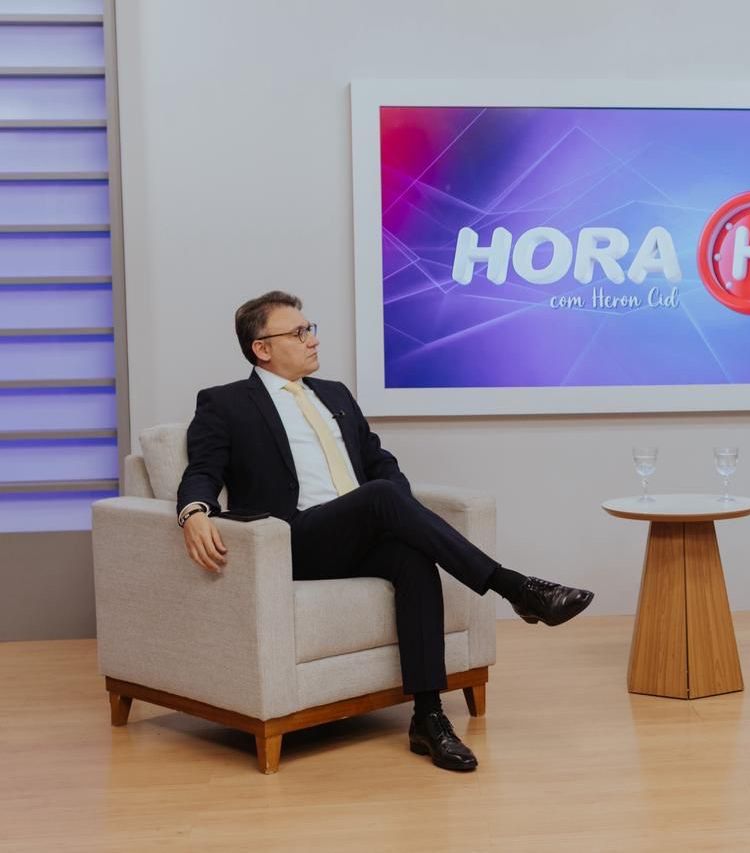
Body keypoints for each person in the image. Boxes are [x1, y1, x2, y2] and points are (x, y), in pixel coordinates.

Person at [176, 291, 594, 772]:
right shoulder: (225, 403)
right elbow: (202, 470)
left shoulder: (334, 394)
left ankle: (428, 718)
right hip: (293, 540)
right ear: (262, 348)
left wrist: (400, 509)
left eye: (311, 329)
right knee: (380, 496)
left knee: (412, 556)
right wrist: (194, 511)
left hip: (356, 532)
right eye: (299, 332)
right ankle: (515, 588)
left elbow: (380, 462)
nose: (312, 340)